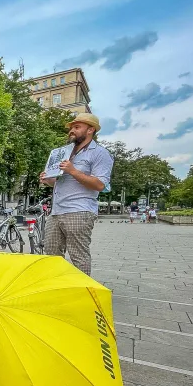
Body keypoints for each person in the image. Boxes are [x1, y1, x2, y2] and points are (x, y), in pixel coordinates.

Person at [39, 113, 114, 276]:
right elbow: (61, 182)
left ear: (90, 130)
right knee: (51, 255)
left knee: (78, 257)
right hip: (56, 212)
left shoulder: (100, 153)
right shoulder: (65, 153)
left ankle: (83, 295)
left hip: (79, 211)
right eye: (71, 127)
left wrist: (73, 170)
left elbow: (100, 184)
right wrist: (48, 180)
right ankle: (56, 290)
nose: (71, 130)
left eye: (77, 127)